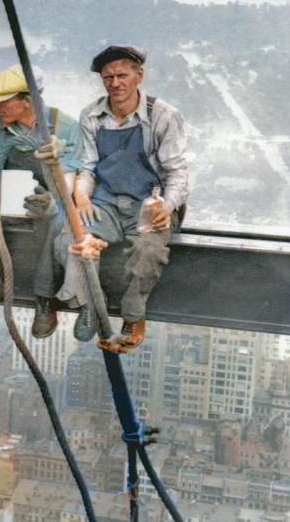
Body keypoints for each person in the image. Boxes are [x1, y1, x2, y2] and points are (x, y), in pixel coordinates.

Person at [52, 46, 189, 351]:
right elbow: (87, 167)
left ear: (139, 76)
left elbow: (177, 172)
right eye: (108, 77)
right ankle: (87, 303)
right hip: (107, 201)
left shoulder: (162, 116)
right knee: (70, 239)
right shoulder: (92, 115)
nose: (115, 83)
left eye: (122, 75)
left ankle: (133, 315)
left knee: (147, 250)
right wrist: (81, 197)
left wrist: (167, 207)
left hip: (149, 203)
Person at [0, 66, 81, 336]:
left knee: (52, 220)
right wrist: (7, 143)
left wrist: (52, 199)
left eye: (3, 101)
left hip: (49, 195)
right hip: (8, 192)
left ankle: (44, 297)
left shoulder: (65, 126)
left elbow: (69, 179)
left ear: (27, 101)